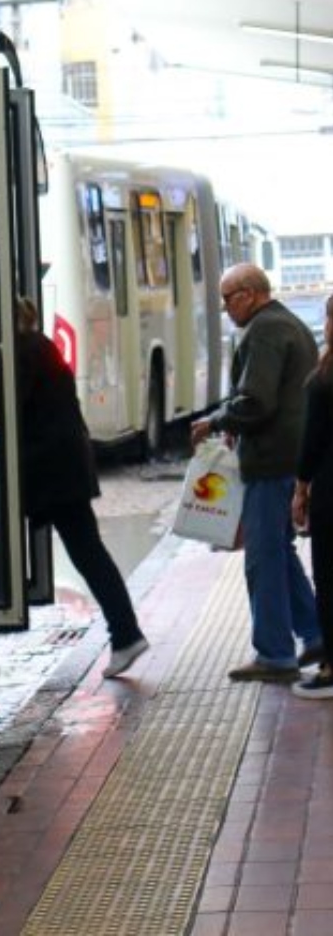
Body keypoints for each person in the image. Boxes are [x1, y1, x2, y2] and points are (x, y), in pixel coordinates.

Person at [191, 264, 322, 683]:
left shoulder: (264, 330)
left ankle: (275, 654)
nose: (225, 307)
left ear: (249, 294)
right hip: (288, 456)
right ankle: (315, 633)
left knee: (263, 558)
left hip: (270, 461)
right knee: (280, 554)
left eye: (228, 298)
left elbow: (256, 400)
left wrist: (217, 421)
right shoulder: (290, 324)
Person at [15, 296, 148, 678]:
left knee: (88, 553)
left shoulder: (27, 350)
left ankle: (126, 633)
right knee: (88, 551)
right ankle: (125, 632)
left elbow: (16, 405)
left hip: (55, 470)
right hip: (66, 465)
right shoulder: (41, 345)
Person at [291, 294, 333, 698]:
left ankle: (330, 668)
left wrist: (300, 490)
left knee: (329, 578)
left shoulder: (323, 379)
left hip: (330, 494)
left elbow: (311, 445)